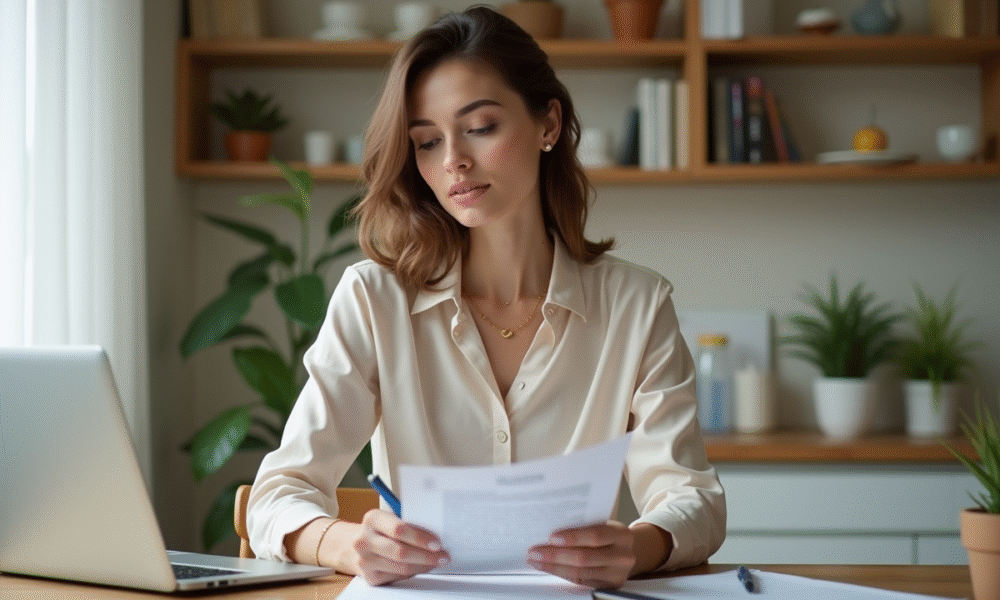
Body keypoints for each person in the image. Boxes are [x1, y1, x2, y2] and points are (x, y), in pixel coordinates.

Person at [246, 6, 725, 589]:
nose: (453, 162)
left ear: (549, 124)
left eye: (480, 127)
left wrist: (638, 548)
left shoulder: (636, 304)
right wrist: (347, 543)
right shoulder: (373, 300)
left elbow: (693, 498)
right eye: (426, 142)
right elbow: (276, 496)